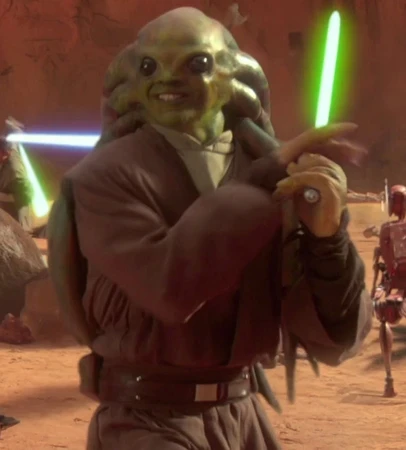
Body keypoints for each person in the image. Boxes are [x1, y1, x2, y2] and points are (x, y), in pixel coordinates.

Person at [47, 8, 372, 450]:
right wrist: (264, 180)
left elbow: (334, 338)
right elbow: (168, 287)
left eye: (196, 63)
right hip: (147, 422)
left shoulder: (281, 175)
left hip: (242, 418)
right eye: (150, 67)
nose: (168, 78)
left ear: (233, 77)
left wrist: (328, 240)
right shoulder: (103, 176)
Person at [0, 131, 33, 234]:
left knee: (23, 231)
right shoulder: (10, 150)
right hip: (11, 191)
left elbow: (24, 193)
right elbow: (13, 143)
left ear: (4, 153)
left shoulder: (15, 171)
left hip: (19, 195)